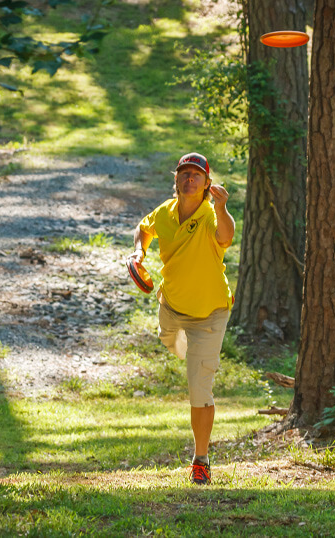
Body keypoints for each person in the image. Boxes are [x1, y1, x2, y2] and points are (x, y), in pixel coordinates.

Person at [130, 152, 234, 485]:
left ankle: (200, 460)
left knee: (199, 390)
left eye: (196, 175)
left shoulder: (209, 215)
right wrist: (138, 253)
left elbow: (225, 236)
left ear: (207, 183)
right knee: (171, 341)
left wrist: (222, 207)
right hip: (171, 308)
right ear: (176, 179)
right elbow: (144, 228)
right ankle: (190, 355)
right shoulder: (165, 212)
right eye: (183, 174)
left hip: (209, 316)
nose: (189, 179)